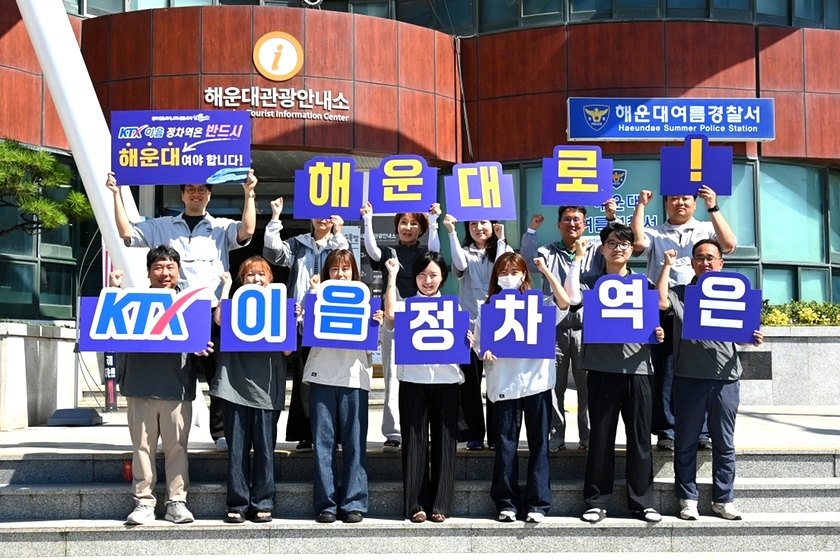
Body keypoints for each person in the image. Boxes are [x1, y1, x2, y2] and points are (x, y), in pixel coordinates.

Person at [106, 171, 257, 452]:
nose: (196, 194)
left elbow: (247, 231)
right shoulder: (162, 225)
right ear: (182, 194)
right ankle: (166, 435)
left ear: (209, 195)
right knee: (172, 371)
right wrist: (116, 194)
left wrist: (249, 193)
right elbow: (127, 232)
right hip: (174, 311)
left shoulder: (221, 227)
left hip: (211, 311)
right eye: (190, 189)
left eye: (202, 189)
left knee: (218, 374)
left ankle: (221, 433)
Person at [656, 241, 763, 521]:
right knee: (685, 442)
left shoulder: (735, 294)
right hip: (688, 378)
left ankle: (723, 499)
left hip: (725, 379)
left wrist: (751, 338)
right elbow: (659, 302)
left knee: (724, 443)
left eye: (710, 258)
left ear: (720, 263)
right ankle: (687, 499)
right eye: (699, 258)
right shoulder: (682, 293)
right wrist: (667, 266)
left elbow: (742, 336)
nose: (705, 262)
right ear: (692, 263)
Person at [566, 223, 664, 524]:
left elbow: (657, 316)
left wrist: (657, 332)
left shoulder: (645, 284)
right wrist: (578, 258)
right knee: (601, 438)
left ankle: (642, 502)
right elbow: (571, 299)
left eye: (623, 244)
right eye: (611, 243)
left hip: (639, 369)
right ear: (602, 248)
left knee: (639, 439)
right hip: (601, 369)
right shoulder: (589, 283)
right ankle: (596, 501)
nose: (617, 248)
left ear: (632, 249)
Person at [112, 245, 212, 525]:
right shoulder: (132, 302)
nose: (164, 273)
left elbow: (201, 341)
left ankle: (176, 502)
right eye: (158, 267)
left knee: (177, 448)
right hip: (139, 386)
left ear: (179, 271)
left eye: (170, 267)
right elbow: (110, 325)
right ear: (148, 272)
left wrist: (201, 346)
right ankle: (143, 502)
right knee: (141, 448)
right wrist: (113, 291)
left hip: (176, 388)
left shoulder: (191, 304)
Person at [631, 186, 736, 451]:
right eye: (674, 198)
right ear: (665, 204)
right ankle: (666, 429)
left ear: (694, 203)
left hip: (702, 307)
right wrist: (641, 205)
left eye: (686, 198)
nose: (680, 202)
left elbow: (728, 245)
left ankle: (702, 430)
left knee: (701, 369)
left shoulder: (706, 228)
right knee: (665, 369)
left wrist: (713, 206)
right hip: (666, 308)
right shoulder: (655, 232)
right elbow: (637, 245)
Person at [472, 252, 570, 524]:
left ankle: (538, 503)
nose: (508, 277)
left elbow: (565, 302)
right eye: (503, 273)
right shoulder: (488, 307)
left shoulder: (539, 303)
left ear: (524, 275)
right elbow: (479, 343)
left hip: (537, 383)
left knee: (540, 443)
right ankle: (507, 502)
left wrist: (545, 271)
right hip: (505, 383)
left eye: (514, 272)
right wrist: (483, 352)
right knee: (506, 445)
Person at [519, 200, 616, 452]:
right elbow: (526, 264)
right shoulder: (548, 251)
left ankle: (588, 436)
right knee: (554, 385)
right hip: (553, 327)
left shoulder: (596, 250)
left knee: (588, 386)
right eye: (567, 219)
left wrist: (611, 218)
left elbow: (617, 249)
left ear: (585, 224)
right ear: (559, 224)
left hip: (587, 327)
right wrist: (531, 231)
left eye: (577, 220)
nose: (572, 223)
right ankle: (556, 434)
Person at [262, 197, 348, 452]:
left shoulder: (339, 243)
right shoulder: (298, 244)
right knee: (303, 379)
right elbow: (272, 254)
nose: (323, 219)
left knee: (333, 378)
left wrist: (339, 234)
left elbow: (346, 267)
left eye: (329, 214)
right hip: (301, 321)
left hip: (333, 319)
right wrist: (275, 217)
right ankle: (306, 434)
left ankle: (334, 433)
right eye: (318, 213)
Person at [303, 249, 382, 524]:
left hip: (354, 378)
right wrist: (312, 296)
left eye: (346, 269)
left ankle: (353, 502)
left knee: (354, 443)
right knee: (323, 444)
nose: (340, 274)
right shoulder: (316, 296)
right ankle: (326, 503)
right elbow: (303, 330)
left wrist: (376, 323)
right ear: (327, 272)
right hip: (322, 375)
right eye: (335, 269)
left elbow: (376, 342)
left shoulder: (366, 301)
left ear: (354, 273)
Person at [383, 252, 462, 523]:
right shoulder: (406, 306)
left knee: (445, 443)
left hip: (446, 381)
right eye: (422, 275)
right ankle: (415, 504)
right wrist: (392, 277)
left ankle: (441, 503)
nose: (427, 281)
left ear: (443, 278)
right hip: (413, 382)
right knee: (414, 443)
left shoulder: (453, 307)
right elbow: (390, 315)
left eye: (433, 275)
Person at [211, 257, 289, 523]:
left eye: (261, 274)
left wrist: (291, 317)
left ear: (271, 280)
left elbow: (287, 350)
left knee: (265, 448)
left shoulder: (280, 306)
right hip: (234, 383)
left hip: (266, 387)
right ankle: (237, 503)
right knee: (237, 448)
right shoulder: (234, 304)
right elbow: (219, 320)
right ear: (241, 280)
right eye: (249, 275)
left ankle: (263, 501)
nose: (255, 279)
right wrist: (226, 288)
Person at [361, 202, 441, 453]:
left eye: (414, 223)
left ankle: (422, 429)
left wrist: (434, 221)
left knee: (425, 375)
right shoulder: (389, 252)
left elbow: (436, 250)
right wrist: (368, 219)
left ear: (421, 229)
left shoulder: (425, 253)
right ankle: (393, 432)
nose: (408, 227)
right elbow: (372, 251)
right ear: (396, 227)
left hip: (423, 319)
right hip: (393, 319)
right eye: (404, 223)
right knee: (393, 377)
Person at [442, 214, 512, 450]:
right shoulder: (464, 252)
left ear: (493, 224)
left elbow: (503, 268)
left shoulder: (502, 249)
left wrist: (501, 240)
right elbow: (460, 267)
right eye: (472, 224)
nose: (478, 227)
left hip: (499, 325)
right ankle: (474, 434)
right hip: (469, 327)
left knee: (496, 381)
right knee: (470, 384)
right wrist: (451, 232)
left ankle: (496, 435)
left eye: (483, 222)